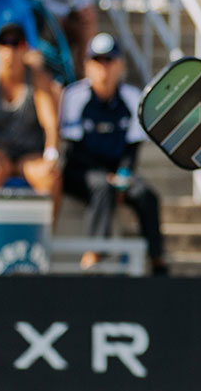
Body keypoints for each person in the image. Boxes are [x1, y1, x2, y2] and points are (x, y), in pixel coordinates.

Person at [58, 34, 165, 274]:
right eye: (97, 60)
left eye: (109, 60)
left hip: (117, 172)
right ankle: (94, 253)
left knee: (147, 195)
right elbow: (73, 150)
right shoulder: (74, 96)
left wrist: (123, 175)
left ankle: (158, 260)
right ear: (86, 65)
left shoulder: (132, 97)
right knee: (101, 187)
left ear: (120, 65)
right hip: (81, 172)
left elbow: (132, 147)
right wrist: (107, 177)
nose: (103, 67)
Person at [0, 24, 60, 196]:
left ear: (25, 49)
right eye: (4, 44)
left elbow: (50, 121)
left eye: (16, 44)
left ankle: (45, 224)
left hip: (29, 154)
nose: (10, 50)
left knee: (50, 177)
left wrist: (51, 154)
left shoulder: (39, 79)